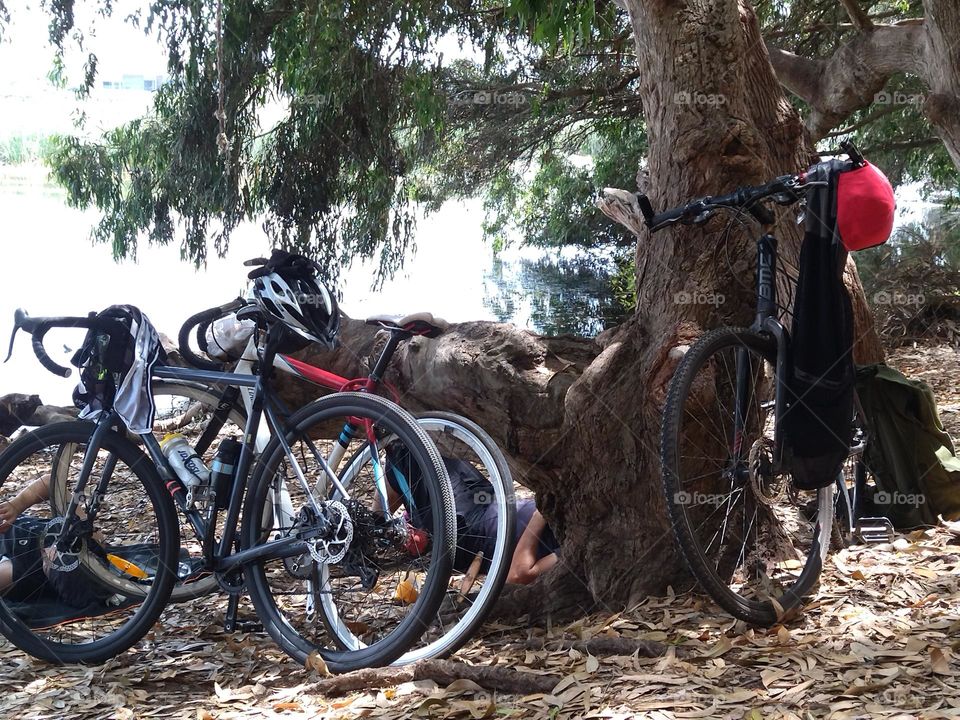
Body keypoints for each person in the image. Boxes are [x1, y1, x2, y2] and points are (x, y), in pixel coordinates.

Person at [385, 449, 559, 586]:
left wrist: (541, 512)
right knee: (435, 437)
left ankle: (369, 530)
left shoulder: (576, 547)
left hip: (471, 533)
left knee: (408, 449)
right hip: (490, 499)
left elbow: (518, 575)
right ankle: (376, 519)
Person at [0, 475, 113, 610]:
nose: (53, 549)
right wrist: (17, 504)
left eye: (54, 562)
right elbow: (51, 483)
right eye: (64, 553)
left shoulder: (23, 573)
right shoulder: (91, 536)